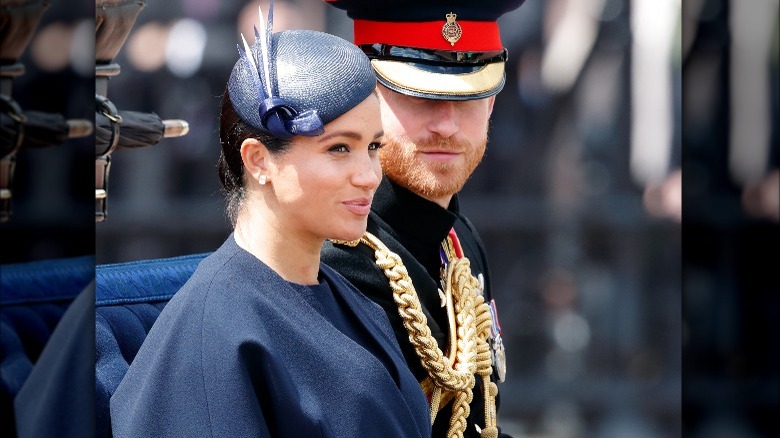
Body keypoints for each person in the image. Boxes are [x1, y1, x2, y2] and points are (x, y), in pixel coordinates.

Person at [109, 3, 430, 437]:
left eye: (373, 147)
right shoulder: (215, 335)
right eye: (339, 148)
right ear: (259, 160)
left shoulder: (348, 300)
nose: (370, 175)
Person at [321, 1, 527, 437]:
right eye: (421, 95)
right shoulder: (332, 258)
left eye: (468, 96)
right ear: (365, 97)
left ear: (491, 103)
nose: (446, 125)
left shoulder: (458, 241)